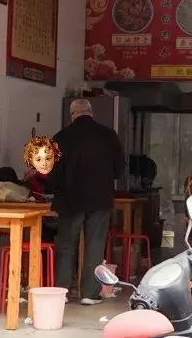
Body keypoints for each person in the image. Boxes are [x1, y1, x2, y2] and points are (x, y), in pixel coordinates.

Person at [49, 98, 125, 305]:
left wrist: (58, 188)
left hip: (69, 200)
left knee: (66, 245)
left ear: (72, 115)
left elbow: (52, 174)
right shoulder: (108, 135)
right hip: (99, 199)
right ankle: (89, 294)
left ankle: (62, 291)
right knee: (95, 245)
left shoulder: (61, 137)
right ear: (91, 112)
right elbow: (119, 169)